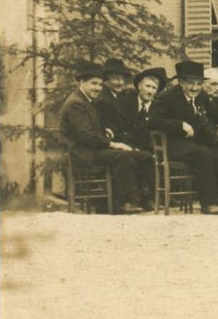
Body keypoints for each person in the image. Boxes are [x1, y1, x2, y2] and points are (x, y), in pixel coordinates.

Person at [148, 59, 218, 214]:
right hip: (175, 144)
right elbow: (154, 121)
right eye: (191, 83)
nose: (195, 88)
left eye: (198, 83)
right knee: (202, 154)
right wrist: (179, 125)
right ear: (181, 82)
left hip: (195, 143)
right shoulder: (166, 97)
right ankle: (208, 204)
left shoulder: (200, 95)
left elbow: (214, 110)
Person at [57, 63, 149, 213]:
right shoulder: (76, 103)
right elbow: (85, 136)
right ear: (81, 82)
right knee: (122, 156)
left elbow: (88, 128)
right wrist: (113, 144)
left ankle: (139, 198)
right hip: (82, 153)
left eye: (100, 84)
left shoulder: (86, 101)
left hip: (91, 150)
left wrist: (103, 130)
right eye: (93, 83)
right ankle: (127, 202)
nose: (98, 88)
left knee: (142, 156)